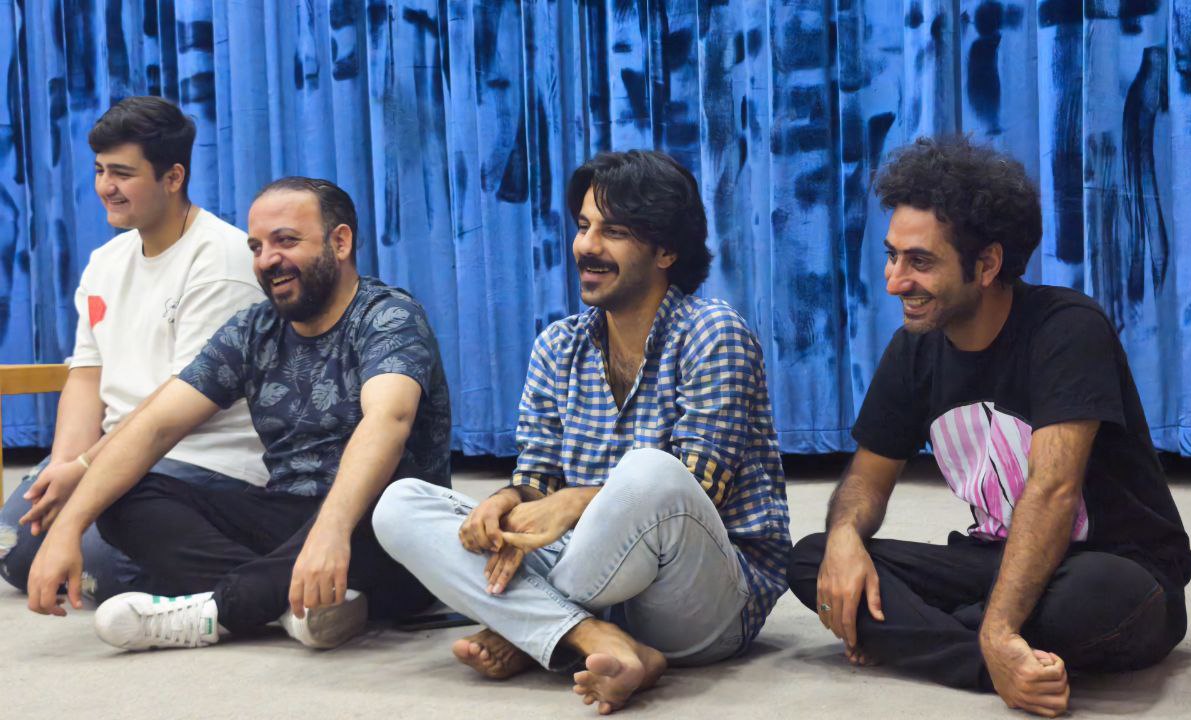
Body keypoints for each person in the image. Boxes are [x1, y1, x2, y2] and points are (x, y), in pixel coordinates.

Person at [786, 136, 1191, 718]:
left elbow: (1053, 491)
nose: (894, 282)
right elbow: (865, 482)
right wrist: (846, 538)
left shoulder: (1066, 328)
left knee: (1095, 596)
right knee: (814, 560)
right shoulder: (914, 349)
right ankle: (993, 661)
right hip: (996, 560)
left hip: (1114, 565)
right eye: (892, 256)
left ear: (986, 264)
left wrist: (998, 625)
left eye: (919, 262)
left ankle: (949, 637)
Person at [373, 150, 790, 714]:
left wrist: (573, 503)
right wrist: (505, 502)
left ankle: (537, 628)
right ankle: (592, 636)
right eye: (583, 226)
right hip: (600, 576)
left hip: (701, 601)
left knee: (650, 471)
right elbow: (537, 479)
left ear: (666, 250)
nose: (586, 246)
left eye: (613, 231)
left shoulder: (714, 332)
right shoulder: (557, 345)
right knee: (399, 504)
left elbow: (698, 489)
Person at [25, 177, 452, 652]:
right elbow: (155, 426)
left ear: (340, 242)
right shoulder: (254, 329)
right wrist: (68, 527)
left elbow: (388, 421)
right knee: (125, 496)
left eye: (286, 241)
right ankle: (295, 606)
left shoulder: (388, 317)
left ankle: (217, 611)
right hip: (288, 515)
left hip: (383, 533)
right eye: (256, 247)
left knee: (392, 496)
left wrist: (331, 532)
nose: (267, 260)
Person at [0, 96, 265, 602]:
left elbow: (177, 407)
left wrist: (86, 472)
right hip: (115, 452)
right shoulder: (106, 261)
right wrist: (65, 466)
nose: (106, 187)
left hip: (199, 460)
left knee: (99, 554)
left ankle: (249, 580)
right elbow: (86, 376)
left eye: (122, 173)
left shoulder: (221, 260)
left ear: (173, 177)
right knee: (14, 546)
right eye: (100, 171)